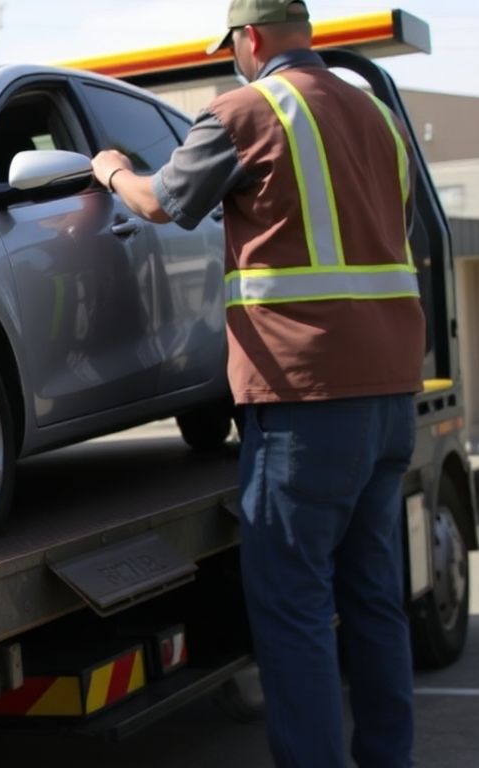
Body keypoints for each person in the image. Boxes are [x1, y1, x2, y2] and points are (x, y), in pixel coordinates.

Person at [90, 1, 424, 765]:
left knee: (294, 605)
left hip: (305, 398)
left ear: (250, 39)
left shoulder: (245, 109)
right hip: (390, 393)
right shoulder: (379, 115)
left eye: (235, 47)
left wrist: (108, 167)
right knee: (373, 599)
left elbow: (160, 203)